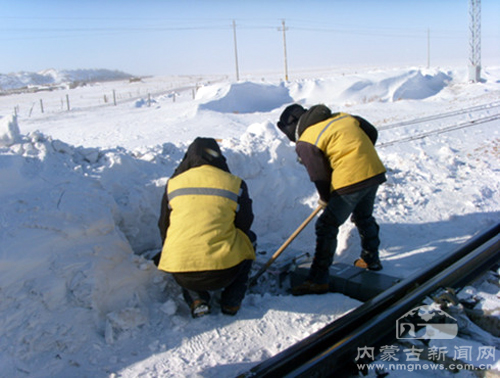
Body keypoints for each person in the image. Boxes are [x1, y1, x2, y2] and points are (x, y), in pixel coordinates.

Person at [277, 104, 386, 296]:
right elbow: (371, 131)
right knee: (363, 216)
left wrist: (326, 197)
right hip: (373, 170)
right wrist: (361, 153)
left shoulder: (306, 141)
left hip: (351, 179)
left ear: (291, 128)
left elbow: (319, 175)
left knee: (326, 225)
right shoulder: (341, 117)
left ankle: (317, 280)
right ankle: (371, 260)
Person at [155, 137, 256, 317]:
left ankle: (197, 299)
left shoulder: (173, 184)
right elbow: (245, 223)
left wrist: (169, 248)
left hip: (182, 272)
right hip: (226, 272)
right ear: (219, 156)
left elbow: (164, 224)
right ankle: (232, 301)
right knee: (250, 239)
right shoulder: (235, 183)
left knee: (179, 248)